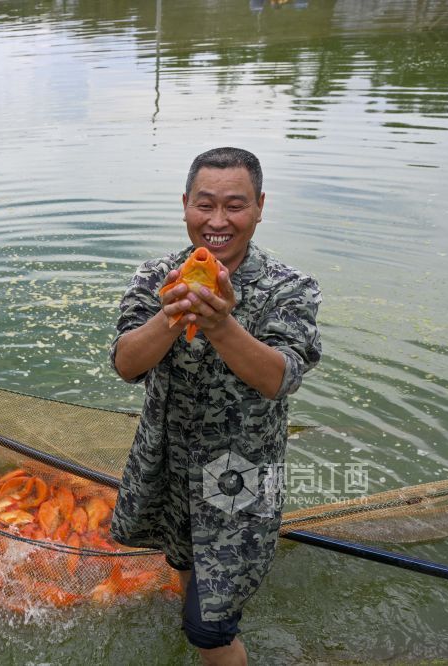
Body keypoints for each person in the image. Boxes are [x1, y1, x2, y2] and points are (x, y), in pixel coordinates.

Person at [109, 147, 322, 665]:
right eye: (205, 205)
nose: (218, 222)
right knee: (183, 563)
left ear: (260, 207)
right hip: (167, 464)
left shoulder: (289, 288)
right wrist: (170, 317)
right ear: (185, 204)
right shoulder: (157, 277)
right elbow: (126, 364)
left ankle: (206, 629)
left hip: (238, 478)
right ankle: (191, 597)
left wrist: (221, 324)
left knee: (211, 629)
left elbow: (280, 378)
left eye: (235, 206)